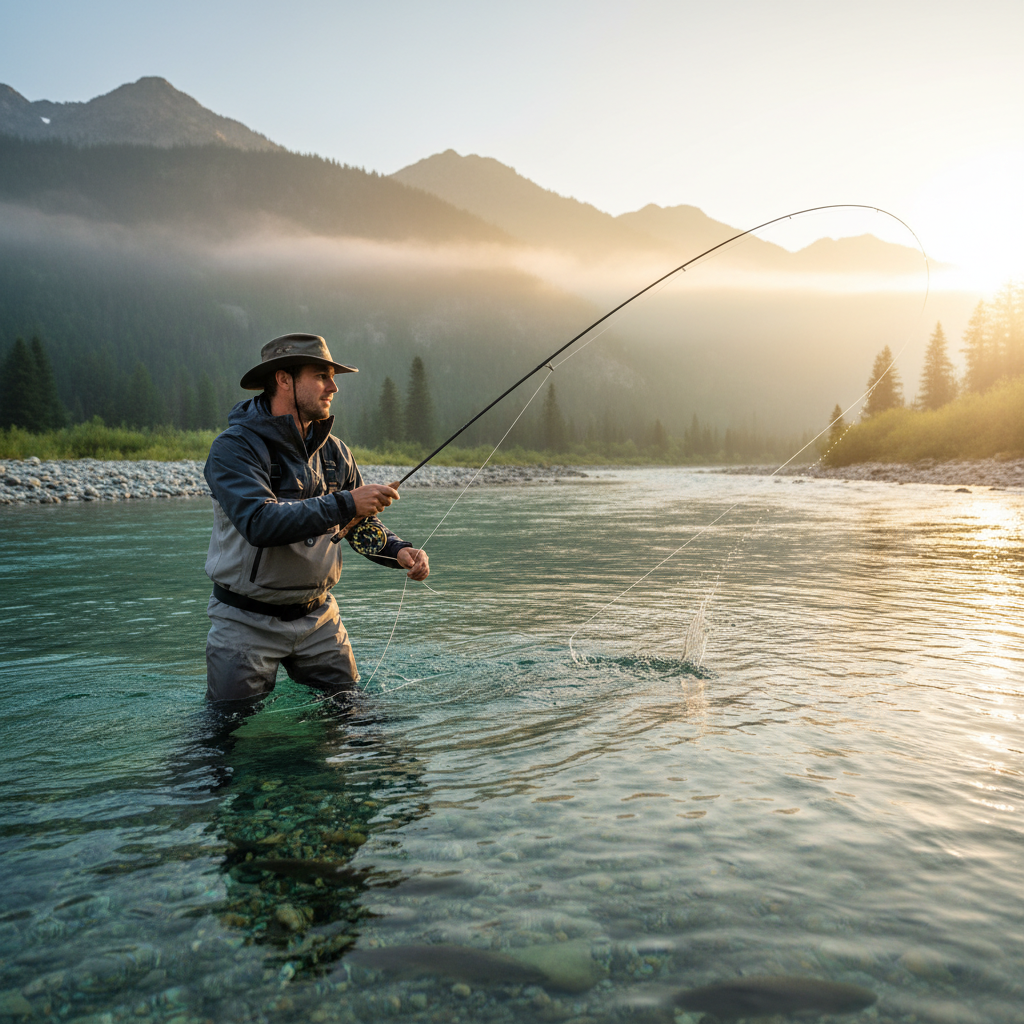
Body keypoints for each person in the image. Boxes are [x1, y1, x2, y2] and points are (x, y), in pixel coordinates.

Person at [202, 333, 429, 703]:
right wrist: (346, 503)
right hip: (244, 621)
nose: (334, 387)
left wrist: (398, 551)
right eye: (322, 375)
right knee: (224, 733)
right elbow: (259, 522)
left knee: (353, 716)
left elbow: (357, 526)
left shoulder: (336, 452)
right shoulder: (234, 448)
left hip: (320, 618)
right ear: (284, 379)